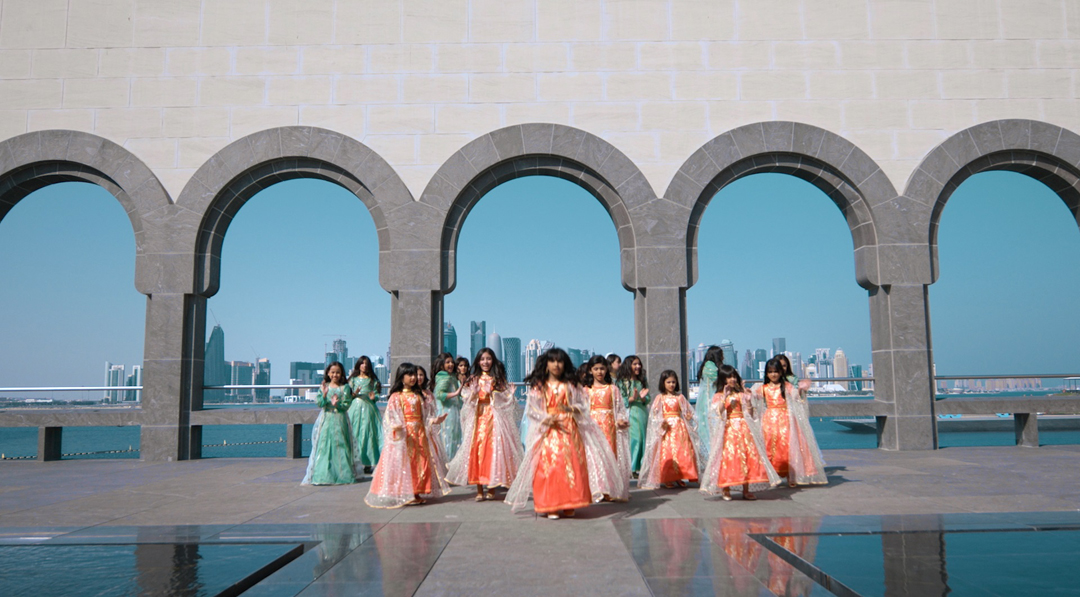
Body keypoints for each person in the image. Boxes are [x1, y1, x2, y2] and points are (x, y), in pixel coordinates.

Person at [506, 348, 625, 518]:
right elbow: (532, 409)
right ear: (546, 364)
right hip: (549, 430)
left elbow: (584, 405)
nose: (556, 365)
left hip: (569, 429)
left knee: (571, 464)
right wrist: (545, 418)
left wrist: (572, 409)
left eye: (560, 361)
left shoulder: (571, 386)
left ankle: (570, 502)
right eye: (552, 361)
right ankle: (551, 504)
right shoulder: (540, 387)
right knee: (551, 465)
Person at [365, 362, 449, 508]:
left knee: (420, 463)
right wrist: (396, 425)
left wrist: (434, 420)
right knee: (405, 463)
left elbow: (424, 416)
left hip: (419, 434)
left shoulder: (418, 396)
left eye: (414, 375)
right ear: (401, 377)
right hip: (405, 435)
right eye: (409, 374)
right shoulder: (396, 396)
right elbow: (391, 415)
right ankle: (406, 492)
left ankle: (416, 492)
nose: (413, 377)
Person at [446, 348, 524, 501]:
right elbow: (466, 400)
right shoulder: (473, 379)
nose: (485, 362)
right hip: (477, 420)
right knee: (477, 452)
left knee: (492, 451)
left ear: (493, 360)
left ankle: (492, 487)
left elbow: (506, 401)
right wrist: (474, 393)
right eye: (482, 359)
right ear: (478, 361)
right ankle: (479, 489)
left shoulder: (498, 379)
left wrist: (499, 394)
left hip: (494, 420)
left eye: (488, 359)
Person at [700, 365, 779, 500]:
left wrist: (748, 402)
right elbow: (718, 413)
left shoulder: (741, 394)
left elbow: (751, 413)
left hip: (744, 428)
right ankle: (726, 488)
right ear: (723, 379)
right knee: (729, 457)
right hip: (728, 429)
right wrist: (724, 397)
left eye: (734, 376)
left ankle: (746, 489)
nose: (732, 379)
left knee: (747, 457)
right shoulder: (718, 396)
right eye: (729, 377)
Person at [753, 358, 827, 487]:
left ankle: (790, 475)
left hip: (785, 420)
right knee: (770, 447)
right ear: (766, 374)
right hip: (769, 422)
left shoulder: (786, 386)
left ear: (781, 372)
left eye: (776, 371)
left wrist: (801, 390)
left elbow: (796, 397)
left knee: (787, 447)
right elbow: (754, 399)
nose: (773, 374)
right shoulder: (763, 388)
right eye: (770, 372)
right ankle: (772, 475)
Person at [639, 370, 704, 490]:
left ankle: (679, 476)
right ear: (663, 383)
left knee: (681, 451)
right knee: (667, 452)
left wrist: (688, 417)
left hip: (679, 428)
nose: (671, 384)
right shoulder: (660, 398)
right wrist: (661, 421)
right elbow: (655, 414)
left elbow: (687, 411)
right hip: (667, 428)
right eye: (668, 382)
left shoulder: (680, 397)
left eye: (673, 382)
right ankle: (668, 477)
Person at [582, 355, 631, 498]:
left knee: (609, 456)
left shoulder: (613, 389)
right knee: (594, 457)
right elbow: (582, 410)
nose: (599, 372)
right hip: (592, 428)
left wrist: (621, 420)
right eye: (596, 369)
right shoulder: (586, 390)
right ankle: (597, 488)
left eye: (602, 369)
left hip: (609, 428)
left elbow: (620, 409)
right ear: (590, 370)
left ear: (607, 370)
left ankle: (610, 489)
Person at [302, 362, 356, 486]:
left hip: (340, 419)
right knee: (324, 445)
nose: (335, 375)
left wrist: (338, 404)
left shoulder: (344, 388)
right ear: (328, 373)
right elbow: (319, 403)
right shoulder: (324, 386)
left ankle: (343, 475)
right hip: (326, 419)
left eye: (337, 372)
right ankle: (323, 475)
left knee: (341, 445)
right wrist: (324, 395)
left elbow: (347, 404)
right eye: (332, 372)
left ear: (342, 374)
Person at [615, 355, 650, 478]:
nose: (638, 366)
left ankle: (641, 466)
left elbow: (647, 398)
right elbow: (620, 399)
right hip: (630, 412)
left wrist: (643, 398)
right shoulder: (621, 382)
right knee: (635, 439)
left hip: (642, 412)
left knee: (643, 438)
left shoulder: (642, 380)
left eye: (639, 364)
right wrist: (632, 398)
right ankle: (632, 467)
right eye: (635, 364)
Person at [347, 355, 382, 476]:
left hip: (369, 409)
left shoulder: (373, 380)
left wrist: (374, 397)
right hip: (355, 408)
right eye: (362, 363)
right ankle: (353, 461)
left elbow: (376, 394)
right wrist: (354, 394)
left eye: (366, 364)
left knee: (369, 434)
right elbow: (348, 395)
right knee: (354, 432)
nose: (364, 366)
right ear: (358, 365)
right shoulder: (353, 380)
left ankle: (368, 462)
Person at [431, 352, 463, 461]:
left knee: (453, 438)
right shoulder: (443, 376)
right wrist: (456, 393)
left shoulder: (451, 376)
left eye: (452, 362)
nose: (451, 364)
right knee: (448, 438)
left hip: (453, 411)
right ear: (441, 365)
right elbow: (440, 394)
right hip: (447, 412)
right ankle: (447, 463)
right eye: (447, 362)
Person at [694, 346, 724, 447]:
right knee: (710, 428)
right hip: (709, 400)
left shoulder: (706, 365)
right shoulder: (710, 367)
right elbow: (719, 379)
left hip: (707, 399)